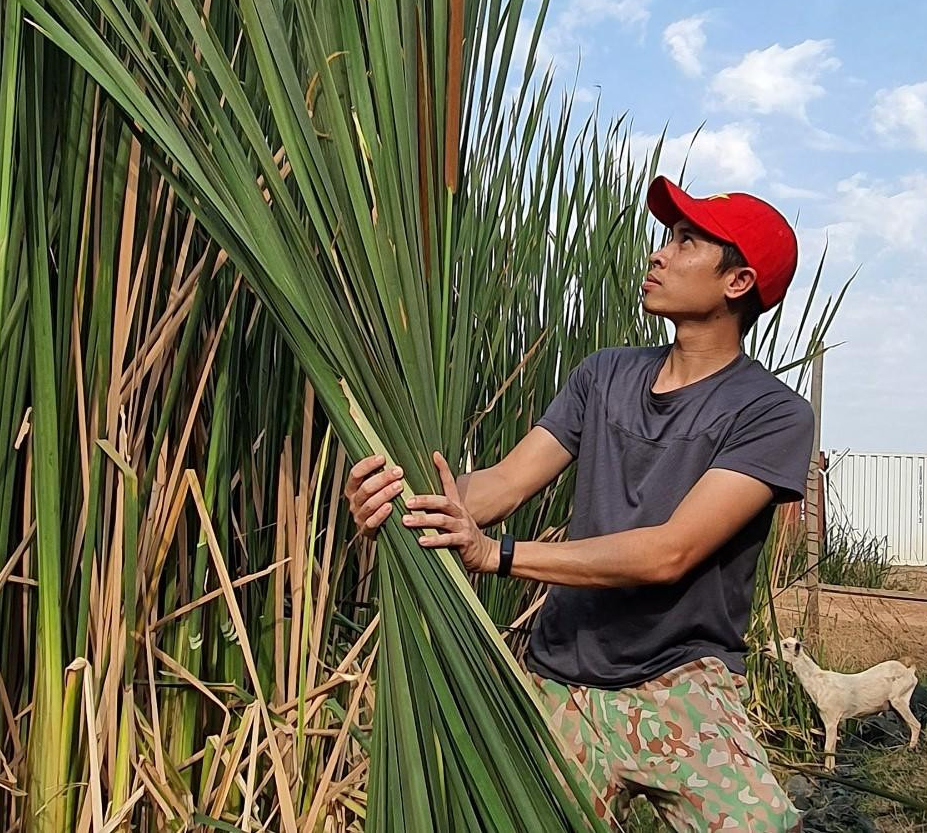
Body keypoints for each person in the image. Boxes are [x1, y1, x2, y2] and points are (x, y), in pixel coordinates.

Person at [345, 175, 813, 831]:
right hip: (560, 676)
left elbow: (668, 552)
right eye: (664, 237)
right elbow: (501, 486)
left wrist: (495, 554)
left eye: (684, 242)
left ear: (737, 283)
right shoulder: (604, 374)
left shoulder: (772, 413)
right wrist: (403, 499)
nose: (658, 253)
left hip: (680, 682)